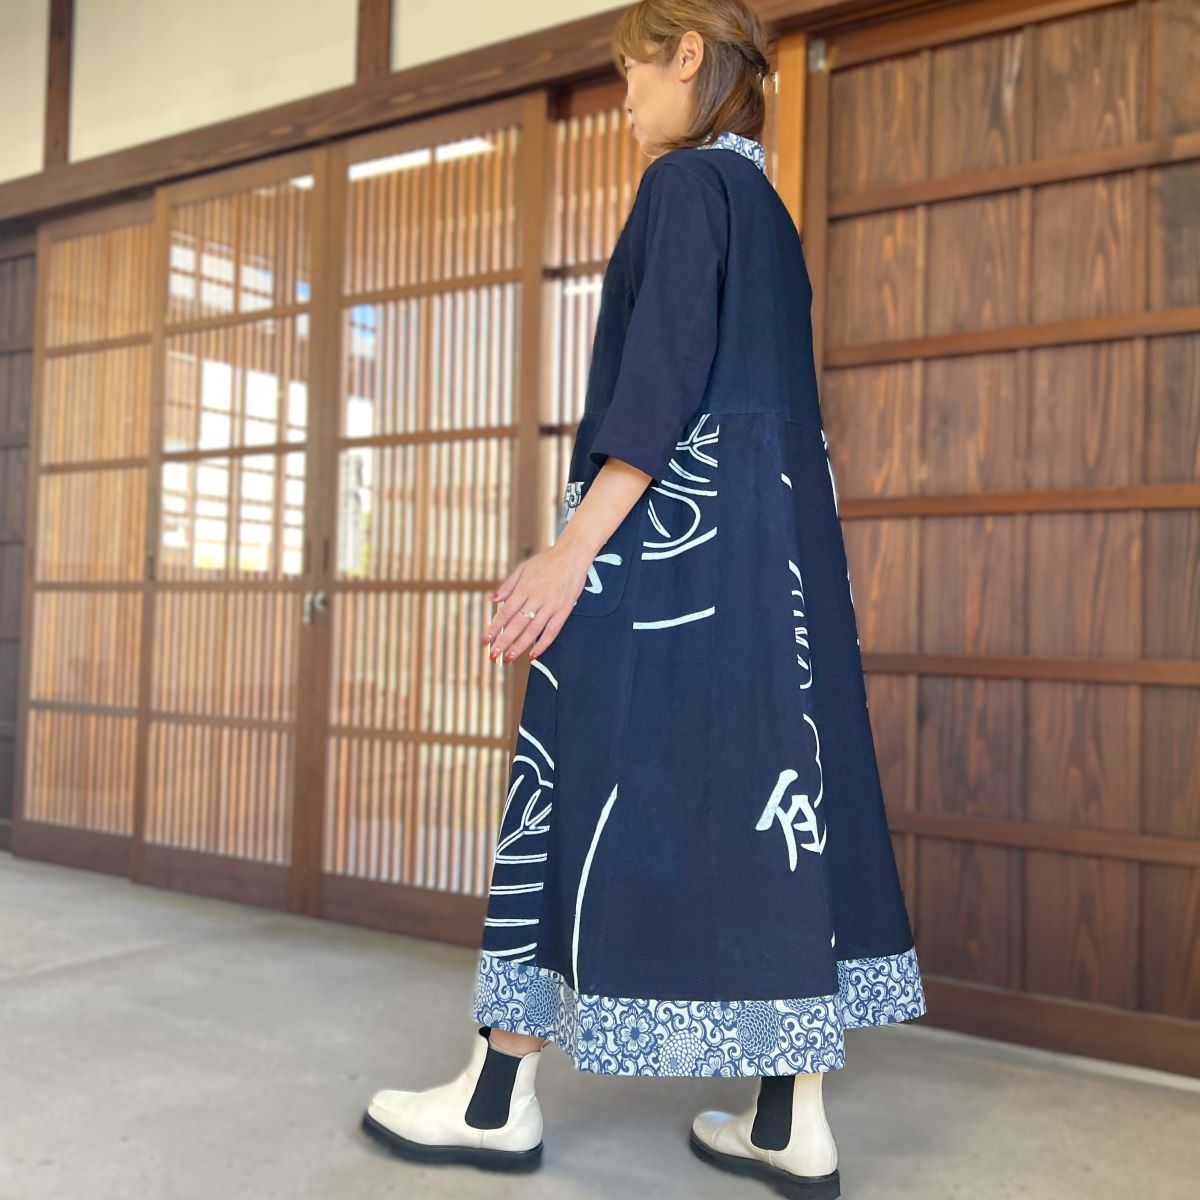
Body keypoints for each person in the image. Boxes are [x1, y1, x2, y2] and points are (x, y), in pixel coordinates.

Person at [360, 2, 926, 1195]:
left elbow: (659, 389)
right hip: (775, 569)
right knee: (779, 804)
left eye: (630, 73)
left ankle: (495, 1099)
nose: (623, 101)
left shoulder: (682, 187)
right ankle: (789, 1120)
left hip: (668, 548)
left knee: (571, 787)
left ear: (687, 59)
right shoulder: (767, 212)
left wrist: (570, 553)